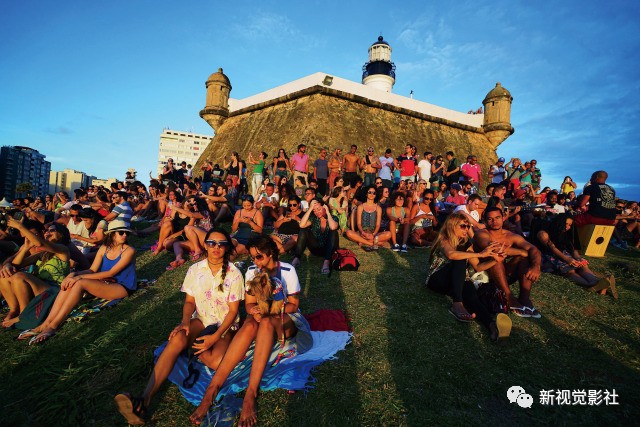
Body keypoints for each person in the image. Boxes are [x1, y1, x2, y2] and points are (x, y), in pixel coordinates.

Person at [115, 229, 243, 425]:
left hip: (225, 324)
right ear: (205, 244)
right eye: (212, 243)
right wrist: (184, 321)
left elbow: (233, 312)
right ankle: (144, 399)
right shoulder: (195, 270)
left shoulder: (234, 273)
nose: (216, 247)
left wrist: (216, 336)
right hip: (201, 319)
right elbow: (190, 302)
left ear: (227, 247)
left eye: (221, 244)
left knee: (216, 361)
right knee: (177, 338)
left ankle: (196, 348)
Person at [190, 236, 313, 426]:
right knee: (250, 324)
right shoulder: (252, 272)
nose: (255, 261)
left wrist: (269, 311)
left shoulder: (287, 270)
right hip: (263, 317)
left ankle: (250, 394)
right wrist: (254, 311)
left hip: (285, 320)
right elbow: (249, 305)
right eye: (253, 257)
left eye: (259, 257)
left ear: (270, 253)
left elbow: (294, 306)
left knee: (265, 323)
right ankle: (211, 391)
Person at [25, 220, 136, 344]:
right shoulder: (104, 248)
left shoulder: (129, 250)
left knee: (79, 283)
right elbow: (92, 269)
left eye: (127, 233)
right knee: (70, 282)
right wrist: (74, 274)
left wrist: (79, 278)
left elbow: (111, 273)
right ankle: (45, 323)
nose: (125, 235)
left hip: (123, 286)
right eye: (121, 232)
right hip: (106, 283)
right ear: (112, 234)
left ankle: (53, 326)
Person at [425, 213, 511, 341]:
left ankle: (491, 326)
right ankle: (457, 304)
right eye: (463, 226)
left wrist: (495, 260)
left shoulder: (466, 245)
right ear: (452, 226)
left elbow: (478, 267)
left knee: (472, 296)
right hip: (437, 280)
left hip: (456, 282)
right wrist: (481, 254)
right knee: (461, 259)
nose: (467, 229)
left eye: (468, 226)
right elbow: (451, 255)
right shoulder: (444, 238)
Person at [0, 219, 71, 328]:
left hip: (55, 291)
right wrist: (25, 249)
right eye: (47, 231)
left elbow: (40, 243)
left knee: (20, 276)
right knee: (5, 276)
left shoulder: (62, 249)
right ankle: (14, 310)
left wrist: (20, 226)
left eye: (52, 231)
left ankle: (24, 315)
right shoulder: (42, 253)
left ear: (61, 234)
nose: (47, 232)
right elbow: (16, 265)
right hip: (40, 288)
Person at [474, 207, 543, 317]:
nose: (494, 222)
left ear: (503, 218)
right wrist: (521, 251)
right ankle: (508, 296)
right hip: (485, 275)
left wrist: (536, 266)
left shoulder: (510, 236)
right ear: (485, 220)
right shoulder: (481, 234)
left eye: (497, 218)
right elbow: (493, 250)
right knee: (496, 258)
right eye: (490, 219)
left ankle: (524, 298)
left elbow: (533, 249)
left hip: (502, 274)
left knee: (525, 258)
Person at [534, 214, 616, 295]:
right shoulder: (543, 233)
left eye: (570, 225)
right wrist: (567, 259)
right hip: (549, 256)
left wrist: (578, 258)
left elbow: (573, 249)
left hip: (563, 254)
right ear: (559, 222)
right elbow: (552, 248)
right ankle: (592, 285)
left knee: (583, 266)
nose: (567, 227)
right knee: (570, 270)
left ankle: (598, 283)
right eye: (566, 224)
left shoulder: (566, 233)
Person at [292, 199, 339, 274]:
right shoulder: (314, 218)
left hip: (329, 250)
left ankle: (326, 262)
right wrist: (310, 209)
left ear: (324, 207)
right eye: (314, 210)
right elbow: (301, 225)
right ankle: (296, 258)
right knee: (304, 230)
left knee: (333, 232)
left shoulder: (333, 218)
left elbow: (333, 227)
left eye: (319, 209)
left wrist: (327, 212)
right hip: (316, 249)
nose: (317, 212)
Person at [345, 185, 391, 251]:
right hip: (362, 233)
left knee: (388, 234)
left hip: (374, 234)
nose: (372, 194)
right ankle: (372, 243)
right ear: (366, 194)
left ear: (376, 195)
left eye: (374, 193)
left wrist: (373, 234)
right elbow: (358, 224)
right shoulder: (361, 207)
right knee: (348, 232)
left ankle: (363, 241)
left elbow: (378, 225)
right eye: (370, 192)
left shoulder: (378, 208)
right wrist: (363, 233)